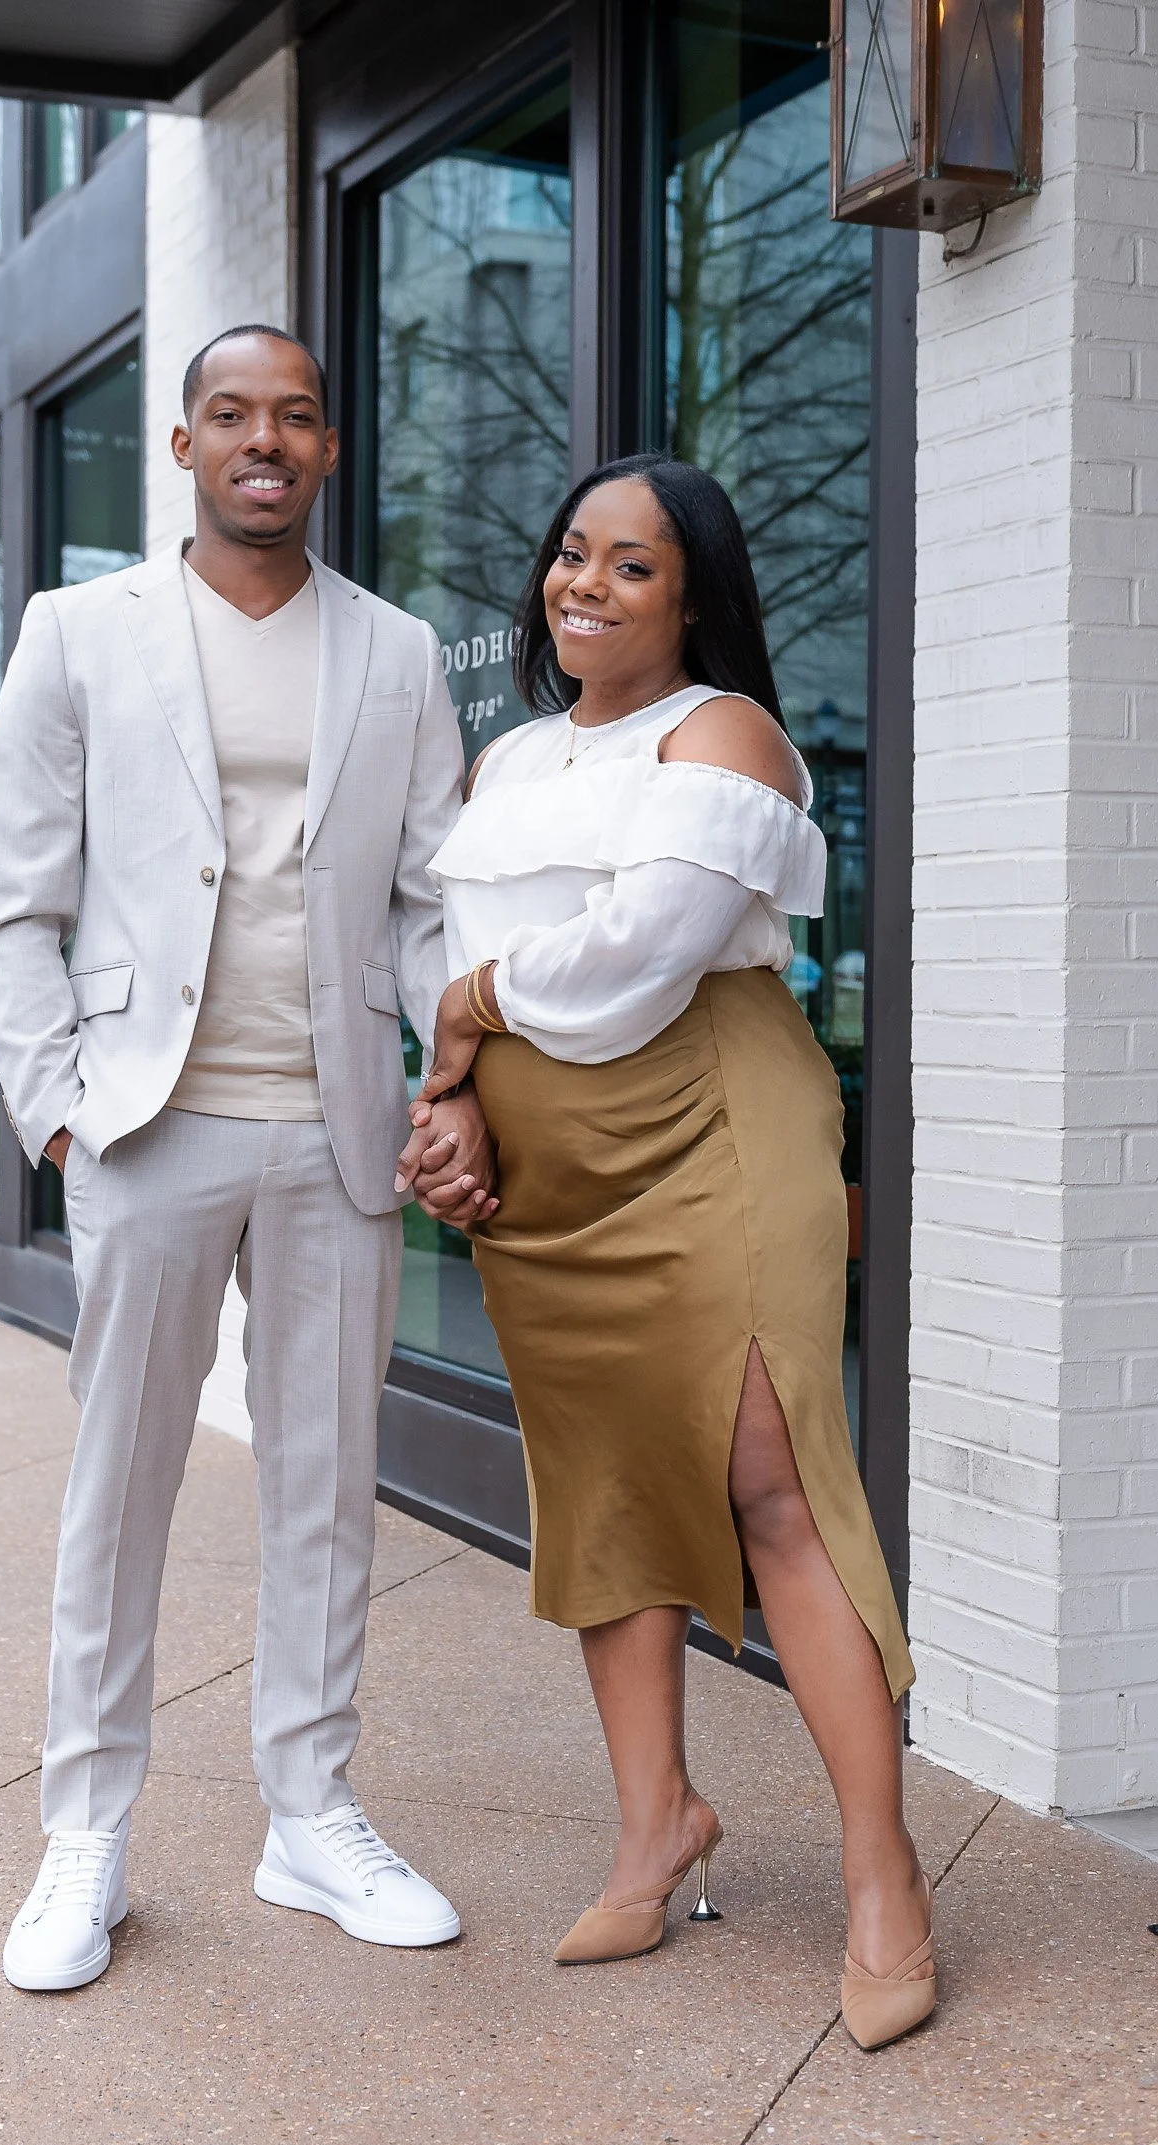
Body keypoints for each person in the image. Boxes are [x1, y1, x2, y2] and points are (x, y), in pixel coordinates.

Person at [0, 323, 498, 1993]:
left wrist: (455, 1071)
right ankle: (88, 1834)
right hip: (145, 1119)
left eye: (295, 417)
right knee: (118, 1486)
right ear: (185, 446)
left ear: (328, 449)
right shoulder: (76, 632)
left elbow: (428, 900)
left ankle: (308, 1811)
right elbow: (16, 904)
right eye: (231, 416)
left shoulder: (399, 652)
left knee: (324, 1484)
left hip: (335, 1122)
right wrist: (56, 1107)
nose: (264, 440)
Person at [405, 453, 936, 2052]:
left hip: (711, 1125)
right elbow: (460, 961)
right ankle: (659, 1831)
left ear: (694, 594)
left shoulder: (727, 738)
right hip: (552, 1184)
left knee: (773, 1485)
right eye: (574, 554)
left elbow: (639, 962)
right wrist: (453, 1105)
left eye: (633, 567)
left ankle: (882, 1876)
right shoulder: (502, 768)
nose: (586, 586)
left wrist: (468, 1019)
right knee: (612, 1481)